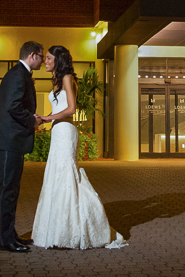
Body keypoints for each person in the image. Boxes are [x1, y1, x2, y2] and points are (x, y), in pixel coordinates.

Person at [32, 45, 127, 249]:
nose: (45, 61)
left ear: (58, 60)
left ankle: (74, 228)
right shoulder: (58, 80)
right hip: (58, 132)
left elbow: (72, 109)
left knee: (67, 177)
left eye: (48, 58)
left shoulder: (67, 78)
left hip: (66, 132)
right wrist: (44, 119)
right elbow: (60, 108)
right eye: (45, 58)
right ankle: (59, 229)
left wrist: (48, 117)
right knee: (56, 176)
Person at [0, 41, 44, 253]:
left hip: (12, 141)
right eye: (41, 56)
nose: (42, 60)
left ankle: (10, 235)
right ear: (32, 55)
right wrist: (33, 121)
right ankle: (5, 241)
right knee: (7, 191)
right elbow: (13, 107)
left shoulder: (19, 74)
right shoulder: (18, 75)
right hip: (8, 141)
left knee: (11, 190)